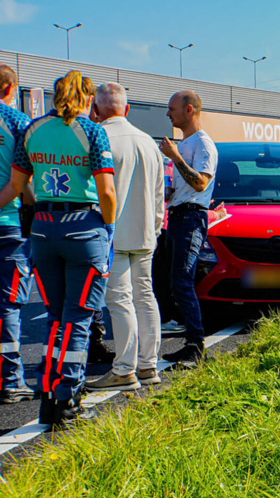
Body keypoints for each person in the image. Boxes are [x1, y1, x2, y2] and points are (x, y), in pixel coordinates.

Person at [9, 71, 117, 427]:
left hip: (43, 228)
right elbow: (107, 193)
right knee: (80, 318)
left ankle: (50, 394)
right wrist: (108, 226)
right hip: (83, 228)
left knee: (56, 319)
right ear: (88, 98)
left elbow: (17, 186)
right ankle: (68, 398)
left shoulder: (32, 129)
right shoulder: (92, 131)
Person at [85, 83, 164, 391]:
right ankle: (148, 365)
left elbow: (97, 191)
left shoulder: (99, 137)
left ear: (96, 109)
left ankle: (124, 368)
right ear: (127, 108)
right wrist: (155, 228)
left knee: (119, 301)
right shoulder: (148, 142)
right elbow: (160, 195)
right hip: (145, 232)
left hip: (112, 232)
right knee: (145, 297)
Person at [159, 90, 217, 365]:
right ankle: (190, 343)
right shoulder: (186, 143)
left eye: (172, 108)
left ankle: (197, 346)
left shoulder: (203, 144)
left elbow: (200, 183)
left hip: (191, 218)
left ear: (189, 110)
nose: (168, 113)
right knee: (174, 281)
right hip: (178, 217)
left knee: (182, 280)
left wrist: (174, 156)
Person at [0, 65, 35, 404]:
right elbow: (22, 180)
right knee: (9, 304)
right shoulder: (17, 122)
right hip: (9, 223)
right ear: (11, 87)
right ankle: (11, 381)